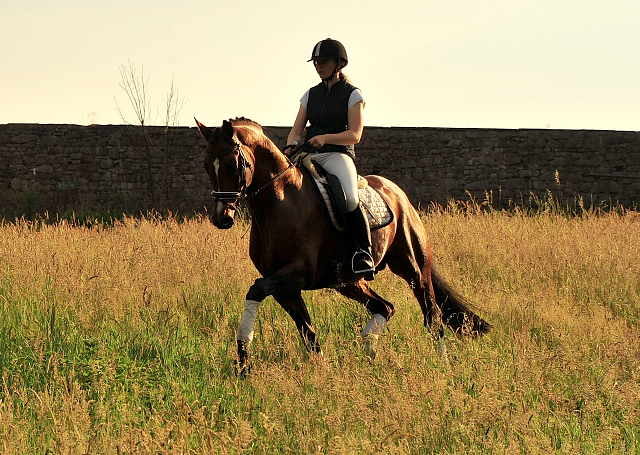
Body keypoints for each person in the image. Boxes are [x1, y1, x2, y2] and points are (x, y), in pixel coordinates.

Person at [286, 38, 374, 280]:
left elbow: (355, 134)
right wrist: (292, 144)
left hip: (338, 155)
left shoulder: (352, 94)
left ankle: (363, 253)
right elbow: (296, 130)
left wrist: (325, 138)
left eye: (323, 61)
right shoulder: (309, 95)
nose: (318, 66)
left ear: (339, 63)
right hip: (308, 154)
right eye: (316, 62)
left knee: (349, 199)